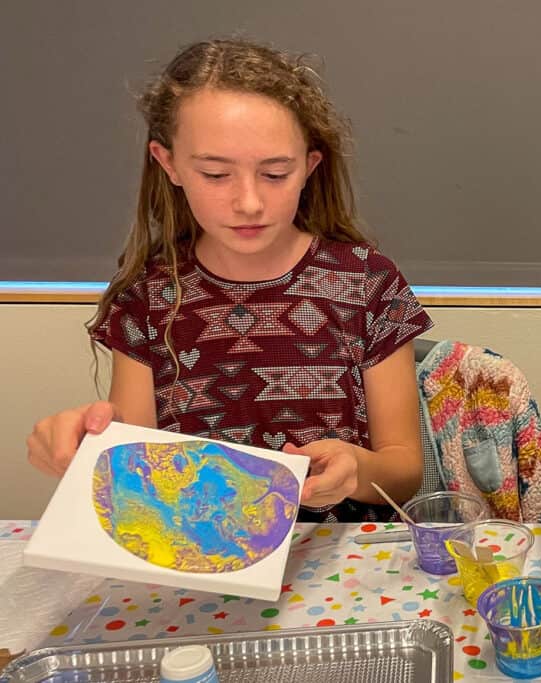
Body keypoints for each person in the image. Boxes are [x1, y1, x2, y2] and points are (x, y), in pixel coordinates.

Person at [25, 39, 433, 522]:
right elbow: (137, 471)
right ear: (169, 163)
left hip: (338, 560)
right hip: (200, 560)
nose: (249, 203)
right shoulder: (149, 297)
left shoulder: (367, 283)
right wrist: (84, 450)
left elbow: (405, 469)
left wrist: (355, 469)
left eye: (275, 174)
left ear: (309, 166)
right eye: (216, 175)